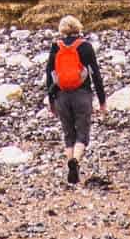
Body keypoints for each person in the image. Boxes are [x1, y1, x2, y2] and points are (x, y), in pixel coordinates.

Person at [42, 13, 107, 185]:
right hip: (82, 94)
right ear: (78, 27)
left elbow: (50, 75)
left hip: (61, 95)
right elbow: (96, 75)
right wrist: (102, 100)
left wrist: (51, 100)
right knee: (83, 134)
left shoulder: (56, 47)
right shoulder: (85, 46)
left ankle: (71, 167)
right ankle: (76, 161)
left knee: (68, 133)